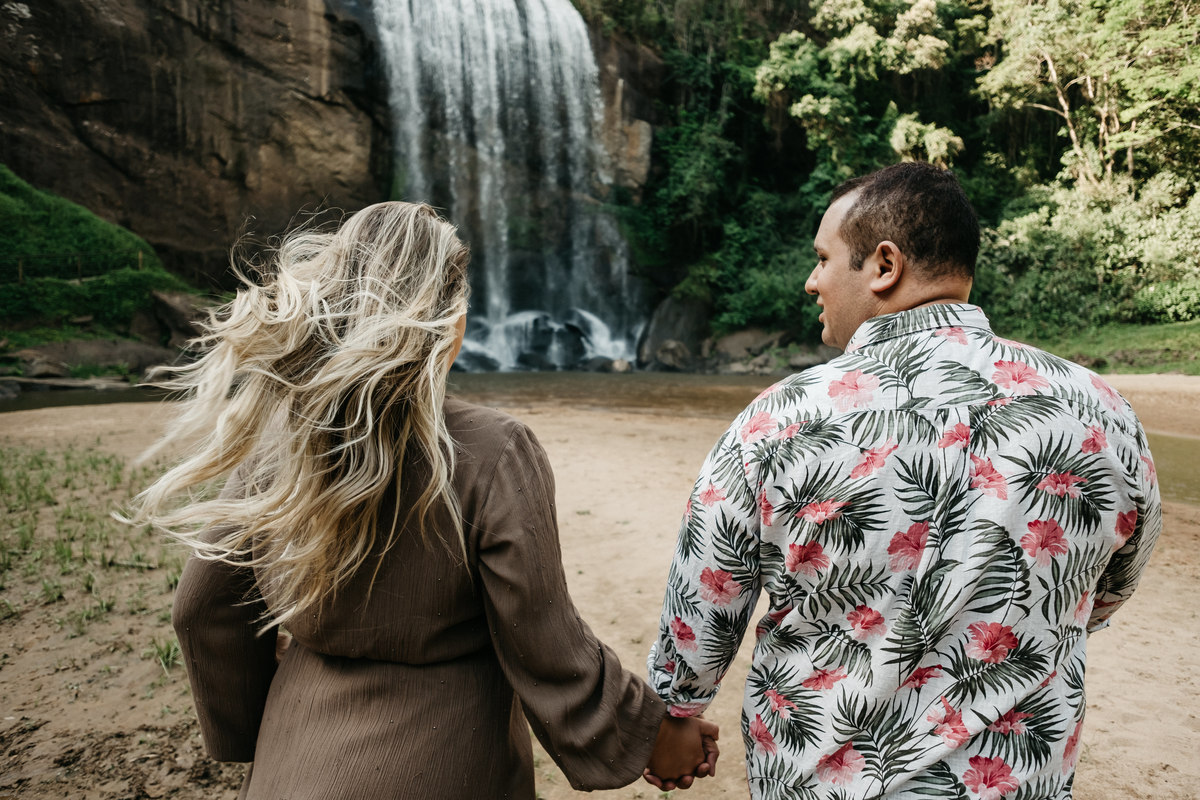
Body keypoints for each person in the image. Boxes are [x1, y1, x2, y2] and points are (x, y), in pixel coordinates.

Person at [125, 201, 717, 798]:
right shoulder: (492, 450)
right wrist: (652, 734)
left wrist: (255, 727)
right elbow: (543, 638)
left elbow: (200, 609)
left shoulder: (280, 441)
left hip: (290, 758)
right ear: (453, 326)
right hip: (448, 762)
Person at [645, 162, 1162, 798]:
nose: (812, 283)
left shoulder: (782, 420)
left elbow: (706, 597)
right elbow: (1111, 584)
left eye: (823, 259)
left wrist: (677, 713)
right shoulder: (1099, 411)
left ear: (884, 267)